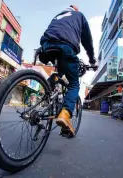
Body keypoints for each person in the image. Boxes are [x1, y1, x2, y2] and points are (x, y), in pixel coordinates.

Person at [39, 5, 96, 137]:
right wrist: (92, 59)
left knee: (60, 71)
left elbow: (47, 32)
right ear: (75, 11)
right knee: (74, 84)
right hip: (67, 46)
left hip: (47, 46)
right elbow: (87, 40)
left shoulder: (57, 17)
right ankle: (65, 113)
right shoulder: (79, 16)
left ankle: (51, 82)